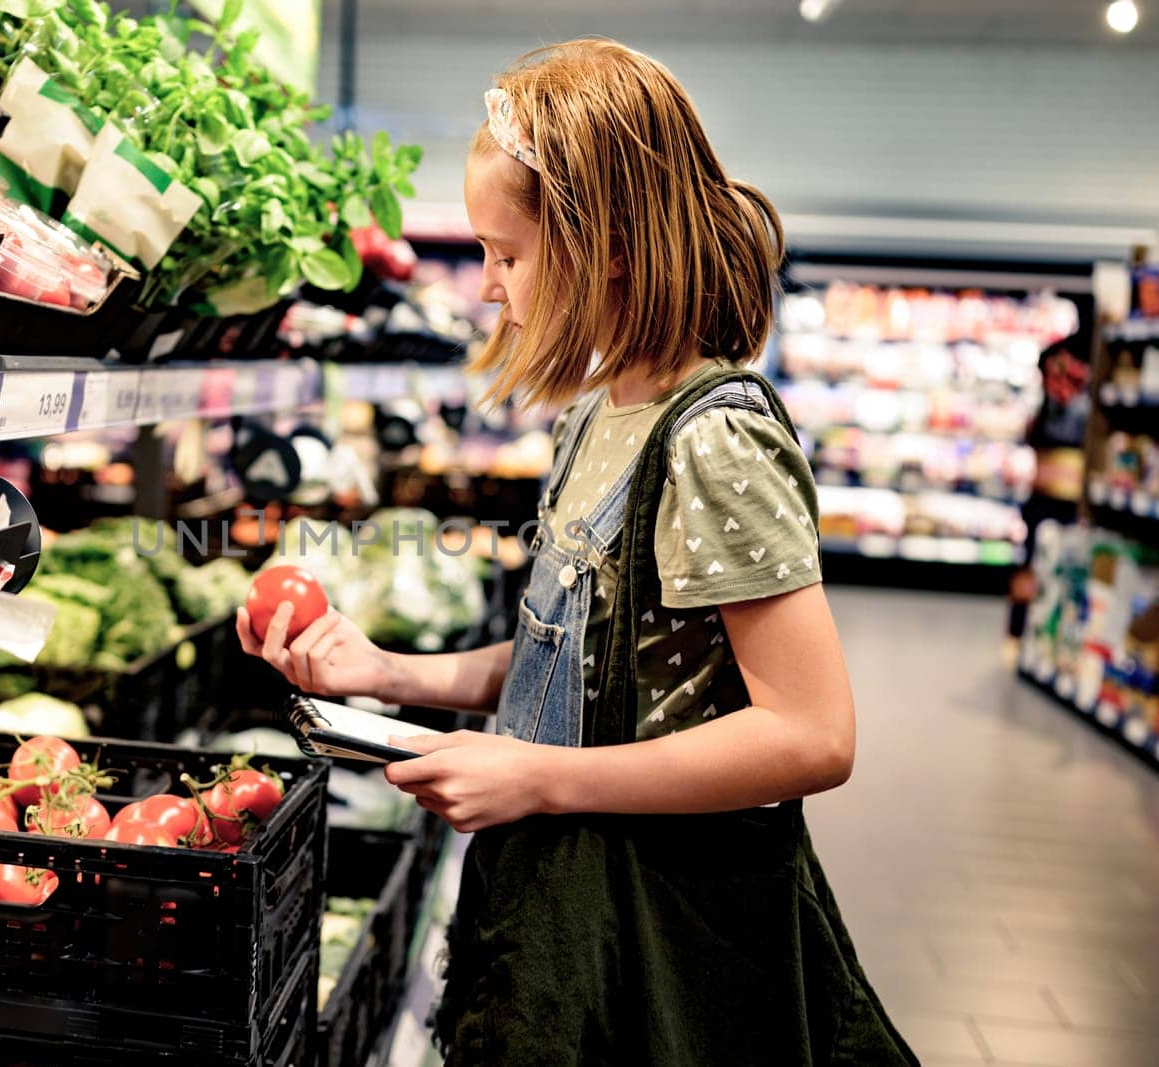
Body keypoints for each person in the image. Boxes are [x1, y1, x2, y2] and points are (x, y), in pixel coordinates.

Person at [238, 37, 917, 1066]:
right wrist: (379, 673)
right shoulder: (595, 417)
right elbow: (573, 663)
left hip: (662, 935)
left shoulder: (712, 435)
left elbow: (813, 734)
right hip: (557, 900)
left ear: (606, 243)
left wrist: (542, 778)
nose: (488, 289)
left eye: (504, 255)